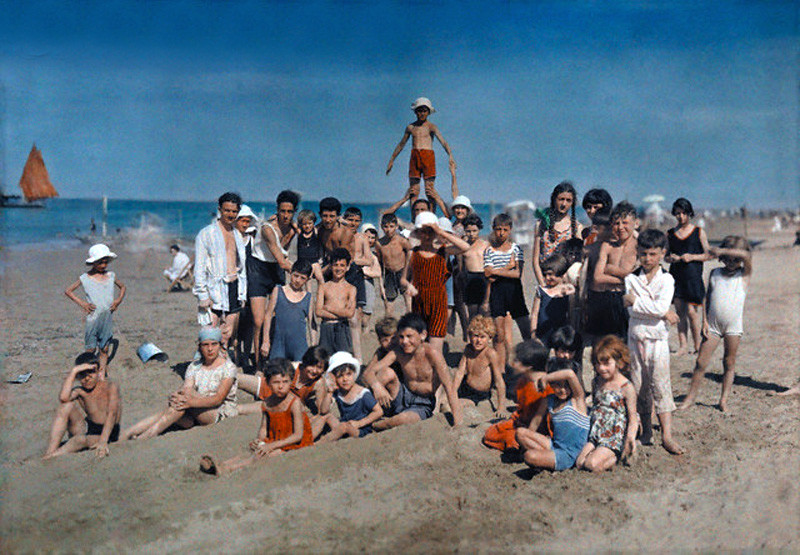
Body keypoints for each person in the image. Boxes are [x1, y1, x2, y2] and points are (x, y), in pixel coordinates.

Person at [199, 358, 313, 476]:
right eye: (276, 382)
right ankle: (222, 464)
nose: (281, 386)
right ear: (268, 383)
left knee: (261, 456)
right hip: (277, 439)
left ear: (291, 382)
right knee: (252, 450)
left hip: (294, 444)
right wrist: (260, 440)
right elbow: (264, 428)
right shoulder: (267, 403)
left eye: (285, 382)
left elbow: (298, 435)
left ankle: (227, 469)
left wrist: (271, 446)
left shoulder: (294, 403)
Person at [624, 229, 683, 454]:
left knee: (660, 384)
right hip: (636, 336)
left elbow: (658, 307)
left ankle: (667, 435)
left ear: (662, 253)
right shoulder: (630, 278)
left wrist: (635, 302)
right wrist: (659, 311)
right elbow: (635, 314)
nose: (647, 259)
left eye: (652, 254)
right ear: (638, 253)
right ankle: (647, 430)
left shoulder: (667, 279)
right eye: (644, 254)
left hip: (657, 340)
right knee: (639, 386)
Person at [121, 327, 238, 440]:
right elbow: (186, 387)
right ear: (200, 347)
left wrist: (190, 402)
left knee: (181, 403)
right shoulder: (194, 366)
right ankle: (133, 433)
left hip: (216, 412)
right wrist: (177, 395)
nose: (210, 349)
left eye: (214, 344)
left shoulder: (228, 367)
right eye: (205, 345)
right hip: (193, 413)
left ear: (219, 345)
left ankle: (143, 436)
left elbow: (218, 399)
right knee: (175, 407)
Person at [679, 236, 753, 412]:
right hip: (712, 325)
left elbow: (747, 255)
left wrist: (721, 250)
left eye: (736, 259)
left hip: (733, 328)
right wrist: (704, 320)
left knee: (728, 362)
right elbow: (707, 298)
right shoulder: (715, 273)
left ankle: (723, 400)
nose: (731, 262)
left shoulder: (745, 274)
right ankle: (690, 398)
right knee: (700, 363)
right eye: (727, 259)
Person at [363, 313, 462, 429]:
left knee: (403, 419)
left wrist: (458, 423)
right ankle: (365, 412)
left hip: (422, 403)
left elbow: (449, 388)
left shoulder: (433, 354)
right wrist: (377, 387)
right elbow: (369, 372)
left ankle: (375, 425)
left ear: (423, 335)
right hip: (402, 394)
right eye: (401, 337)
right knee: (386, 373)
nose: (405, 341)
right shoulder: (398, 352)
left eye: (409, 336)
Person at [402, 211, 470, 354]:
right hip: (419, 304)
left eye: (430, 232)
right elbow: (403, 279)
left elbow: (465, 247)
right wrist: (408, 286)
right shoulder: (412, 253)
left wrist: (441, 232)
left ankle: (435, 375)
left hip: (439, 305)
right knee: (419, 349)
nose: (426, 236)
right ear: (418, 233)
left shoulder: (443, 251)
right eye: (423, 232)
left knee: (434, 350)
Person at [248, 191, 297, 366]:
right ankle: (258, 364)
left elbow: (284, 249)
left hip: (275, 269)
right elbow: (281, 259)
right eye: (282, 211)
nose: (285, 215)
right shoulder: (268, 228)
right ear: (277, 210)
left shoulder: (292, 228)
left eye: (289, 212)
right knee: (258, 320)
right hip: (258, 269)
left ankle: (272, 356)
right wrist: (304, 272)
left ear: (294, 212)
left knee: (276, 317)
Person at [576, 335, 638, 472]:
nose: (602, 368)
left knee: (591, 464)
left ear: (619, 362)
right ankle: (599, 453)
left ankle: (615, 457)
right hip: (596, 433)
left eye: (606, 364)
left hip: (613, 437)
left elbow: (633, 417)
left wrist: (630, 438)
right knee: (579, 462)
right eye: (598, 364)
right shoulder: (597, 382)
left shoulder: (626, 387)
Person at [238, 346, 332, 436]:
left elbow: (322, 411)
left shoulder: (318, 382)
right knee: (237, 378)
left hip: (275, 402)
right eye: (312, 365)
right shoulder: (294, 367)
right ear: (306, 362)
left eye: (319, 368)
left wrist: (311, 419)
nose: (314, 371)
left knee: (239, 409)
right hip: (265, 386)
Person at [193, 192, 247, 348]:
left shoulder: (237, 234)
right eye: (227, 210)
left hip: (233, 286)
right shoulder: (206, 233)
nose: (230, 214)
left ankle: (222, 365)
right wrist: (202, 294)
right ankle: (202, 367)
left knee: (227, 334)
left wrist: (242, 292)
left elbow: (241, 266)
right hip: (214, 288)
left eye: (234, 211)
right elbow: (200, 267)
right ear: (220, 210)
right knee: (209, 332)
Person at [43, 353, 121, 459]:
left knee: (79, 440)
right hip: (90, 430)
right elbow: (63, 398)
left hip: (109, 433)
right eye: (82, 374)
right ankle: (50, 452)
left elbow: (112, 414)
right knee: (65, 406)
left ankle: (51, 457)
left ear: (99, 371)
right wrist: (74, 371)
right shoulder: (80, 391)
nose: (87, 378)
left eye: (91, 372)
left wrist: (103, 441)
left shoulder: (110, 386)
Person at [386, 97, 456, 215]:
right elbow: (401, 144)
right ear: (415, 112)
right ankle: (414, 217)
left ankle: (432, 215)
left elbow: (443, 141)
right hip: (415, 156)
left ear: (428, 112)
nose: (422, 113)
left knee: (429, 190)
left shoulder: (431, 126)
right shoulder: (411, 127)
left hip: (427, 156)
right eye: (419, 110)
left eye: (424, 111)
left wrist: (450, 155)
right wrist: (392, 160)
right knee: (414, 191)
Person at [65, 243, 126, 376]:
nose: (103, 266)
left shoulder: (111, 276)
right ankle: (87, 372)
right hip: (93, 319)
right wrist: (83, 304)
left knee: (104, 348)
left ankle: (102, 374)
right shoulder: (85, 278)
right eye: (100, 263)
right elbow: (68, 291)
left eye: (105, 262)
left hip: (107, 317)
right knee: (91, 349)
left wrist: (118, 301)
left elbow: (123, 287)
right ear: (93, 263)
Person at [482, 339, 552, 454]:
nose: (512, 364)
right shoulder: (523, 381)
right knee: (492, 433)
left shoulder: (548, 385)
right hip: (523, 423)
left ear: (529, 366)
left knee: (512, 438)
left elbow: (541, 420)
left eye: (517, 361)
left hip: (542, 430)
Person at [516, 362, 589, 471]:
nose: (562, 390)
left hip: (569, 455)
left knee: (529, 456)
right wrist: (525, 444)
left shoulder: (577, 400)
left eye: (566, 386)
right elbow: (536, 422)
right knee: (520, 433)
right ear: (552, 384)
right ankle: (546, 459)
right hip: (554, 446)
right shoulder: (549, 400)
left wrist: (545, 378)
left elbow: (570, 374)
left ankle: (547, 461)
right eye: (558, 385)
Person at [484, 213, 531, 370]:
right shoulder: (489, 251)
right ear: (493, 229)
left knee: (527, 331)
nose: (501, 233)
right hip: (497, 295)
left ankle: (530, 364)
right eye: (498, 229)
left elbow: (518, 274)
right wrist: (508, 267)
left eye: (505, 229)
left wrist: (497, 271)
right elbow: (487, 275)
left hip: (514, 293)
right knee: (499, 335)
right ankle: (501, 369)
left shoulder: (516, 249)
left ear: (510, 230)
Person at [586, 201, 638, 340]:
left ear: (635, 223)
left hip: (629, 300)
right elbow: (597, 278)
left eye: (625, 223)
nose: (620, 227)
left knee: (629, 343)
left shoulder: (639, 247)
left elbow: (639, 278)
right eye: (616, 223)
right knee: (605, 343)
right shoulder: (607, 246)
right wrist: (627, 278)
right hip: (607, 299)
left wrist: (611, 269)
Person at [666, 197, 711, 356]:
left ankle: (698, 345)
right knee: (680, 313)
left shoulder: (699, 231)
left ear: (689, 213)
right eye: (677, 213)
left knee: (692, 313)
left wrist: (692, 257)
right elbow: (665, 256)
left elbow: (708, 255)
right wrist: (670, 258)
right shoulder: (670, 234)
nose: (681, 217)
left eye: (684, 213)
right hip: (676, 276)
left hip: (693, 277)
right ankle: (683, 346)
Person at [318, 352, 383, 442]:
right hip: (345, 424)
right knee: (326, 417)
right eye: (340, 376)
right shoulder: (338, 392)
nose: (345, 379)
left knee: (344, 427)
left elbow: (379, 411)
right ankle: (308, 439)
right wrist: (330, 392)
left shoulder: (362, 394)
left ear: (354, 374)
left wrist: (359, 423)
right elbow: (324, 411)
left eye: (348, 374)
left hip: (360, 430)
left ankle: (319, 443)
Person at [261, 260, 313, 362]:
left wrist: (313, 347)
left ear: (307, 280)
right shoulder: (279, 290)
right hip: (279, 344)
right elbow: (267, 316)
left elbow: (312, 324)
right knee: (276, 373)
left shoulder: (308, 297)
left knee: (299, 375)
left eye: (302, 278)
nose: (298, 280)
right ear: (291, 273)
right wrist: (266, 341)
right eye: (296, 276)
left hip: (299, 346)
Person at [453, 316, 505, 416]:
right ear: (470, 336)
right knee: (444, 397)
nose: (478, 340)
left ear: (490, 338)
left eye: (482, 337)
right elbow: (459, 373)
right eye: (475, 336)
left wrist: (501, 407)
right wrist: (453, 392)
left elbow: (499, 381)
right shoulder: (468, 349)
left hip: (478, 395)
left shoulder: (490, 354)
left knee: (451, 406)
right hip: (465, 387)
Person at [533, 182, 583, 286]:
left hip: (566, 285)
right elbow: (535, 260)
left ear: (573, 203)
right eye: (561, 199)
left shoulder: (577, 228)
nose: (564, 204)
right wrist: (543, 286)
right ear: (554, 199)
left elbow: (578, 262)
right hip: (545, 281)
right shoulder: (541, 224)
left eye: (568, 200)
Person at [317, 248, 356, 355]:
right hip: (326, 328)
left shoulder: (351, 288)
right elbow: (319, 311)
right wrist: (341, 313)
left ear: (347, 267)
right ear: (331, 266)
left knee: (343, 360)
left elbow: (350, 313)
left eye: (342, 265)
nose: (339, 268)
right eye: (336, 265)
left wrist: (329, 308)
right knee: (324, 361)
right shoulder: (324, 287)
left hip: (342, 328)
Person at [530, 253, 575, 346]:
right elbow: (534, 314)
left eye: (550, 274)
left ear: (561, 274)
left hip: (560, 334)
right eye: (545, 275)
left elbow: (571, 314)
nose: (547, 278)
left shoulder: (567, 292)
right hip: (542, 334)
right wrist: (533, 335)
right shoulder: (541, 291)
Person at [376, 212, 412, 316]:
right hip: (389, 273)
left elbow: (410, 251)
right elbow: (379, 262)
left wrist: (407, 270)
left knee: (408, 301)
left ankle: (410, 325)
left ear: (396, 227)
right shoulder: (380, 243)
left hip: (402, 271)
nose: (388, 230)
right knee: (388, 303)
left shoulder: (401, 241)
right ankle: (389, 327)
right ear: (382, 227)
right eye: (386, 227)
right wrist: (380, 283)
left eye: (391, 226)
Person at [460, 214, 490, 320]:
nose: (471, 234)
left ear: (479, 230)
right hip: (470, 278)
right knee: (472, 314)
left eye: (474, 231)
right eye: (468, 231)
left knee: (486, 312)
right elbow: (461, 267)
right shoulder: (463, 245)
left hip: (484, 278)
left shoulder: (486, 244)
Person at [359, 223, 384, 335]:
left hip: (368, 283)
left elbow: (378, 272)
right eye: (367, 236)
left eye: (372, 238)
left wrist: (364, 272)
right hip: (357, 283)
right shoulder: (356, 251)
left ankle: (366, 331)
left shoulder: (374, 255)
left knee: (367, 311)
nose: (369, 240)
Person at [295, 209, 325, 283]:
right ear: (301, 224)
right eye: (304, 224)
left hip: (314, 261)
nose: (307, 226)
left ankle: (321, 293)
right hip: (302, 262)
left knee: (320, 279)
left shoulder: (315, 231)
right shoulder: (300, 232)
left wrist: (339, 218)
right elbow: (291, 222)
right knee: (306, 281)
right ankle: (308, 294)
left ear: (313, 223)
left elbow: (324, 222)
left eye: (310, 223)